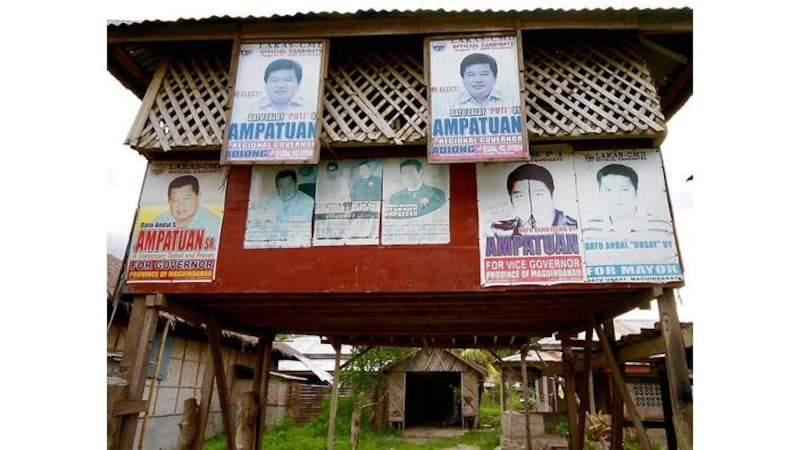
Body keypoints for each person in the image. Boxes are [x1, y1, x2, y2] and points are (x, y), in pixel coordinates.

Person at [582, 163, 673, 240]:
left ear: (637, 191)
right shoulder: (590, 228)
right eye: (609, 190)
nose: (616, 197)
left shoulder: (661, 226)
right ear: (600, 192)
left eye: (624, 189)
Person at [491, 163, 577, 236]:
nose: (530, 202)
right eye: (520, 196)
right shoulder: (499, 231)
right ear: (511, 199)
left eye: (538, 194)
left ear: (551, 193)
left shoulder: (574, 227)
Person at [153, 174, 222, 239]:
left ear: (198, 197)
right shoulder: (160, 221)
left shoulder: (214, 225)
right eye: (175, 200)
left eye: (186, 199)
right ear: (169, 201)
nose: (181, 205)